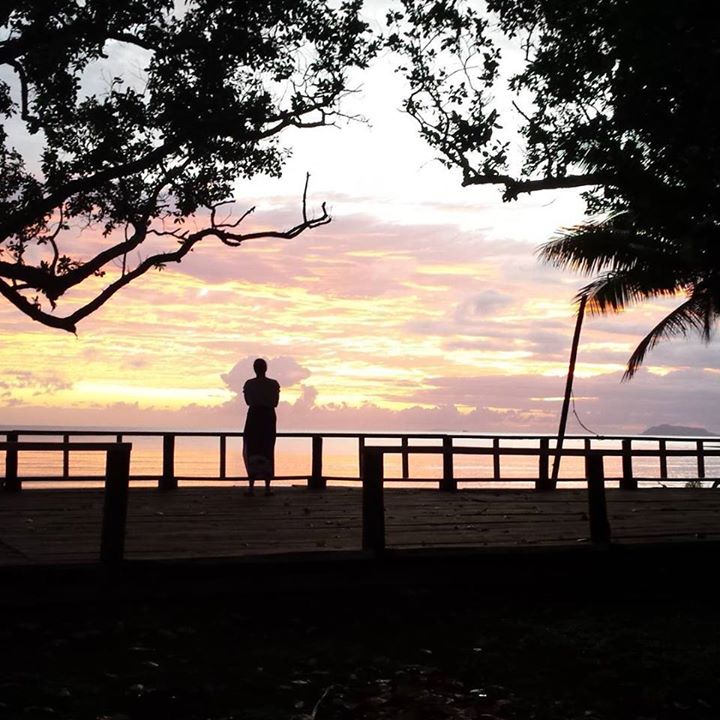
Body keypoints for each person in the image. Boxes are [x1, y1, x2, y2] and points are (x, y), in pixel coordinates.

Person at [242, 358, 280, 496]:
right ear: (266, 368)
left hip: (253, 416)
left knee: (251, 449)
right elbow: (275, 403)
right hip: (268, 417)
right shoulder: (273, 384)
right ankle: (267, 487)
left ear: (254, 369)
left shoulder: (249, 384)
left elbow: (247, 402)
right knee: (267, 450)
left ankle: (251, 486)